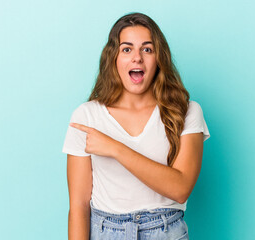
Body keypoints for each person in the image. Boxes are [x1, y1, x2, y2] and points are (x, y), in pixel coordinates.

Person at [62, 12, 210, 240]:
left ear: (159, 58)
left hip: (165, 232)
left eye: (147, 49)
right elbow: (79, 206)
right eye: (127, 49)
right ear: (114, 58)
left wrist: (115, 148)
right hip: (105, 232)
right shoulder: (87, 116)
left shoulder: (187, 111)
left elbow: (180, 189)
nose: (137, 58)